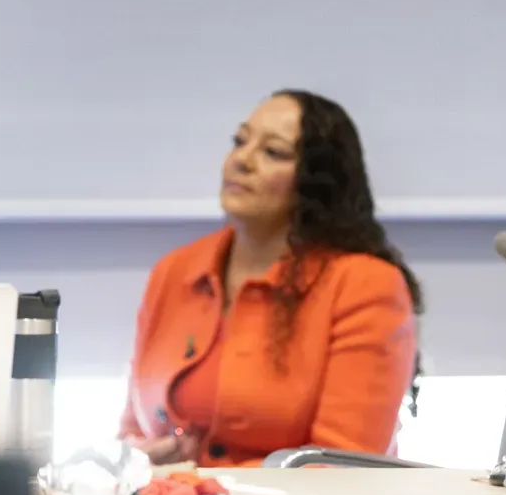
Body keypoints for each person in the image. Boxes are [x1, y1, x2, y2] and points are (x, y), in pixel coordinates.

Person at [119, 90, 423, 467]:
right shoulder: (175, 271)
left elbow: (344, 466)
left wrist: (203, 482)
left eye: (273, 152)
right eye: (240, 141)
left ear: (317, 182)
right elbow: (133, 430)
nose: (241, 160)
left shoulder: (366, 286)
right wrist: (139, 461)